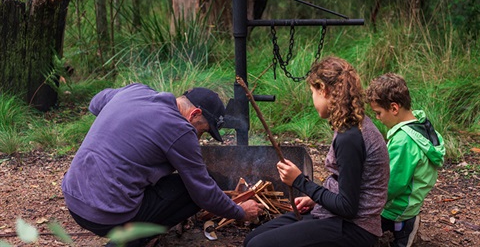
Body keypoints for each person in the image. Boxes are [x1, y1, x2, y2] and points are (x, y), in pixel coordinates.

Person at [61, 83, 263, 247]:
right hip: (106, 215)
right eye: (202, 131)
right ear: (194, 114)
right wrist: (241, 212)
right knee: (190, 192)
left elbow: (95, 102)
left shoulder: (135, 92)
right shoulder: (180, 129)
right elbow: (204, 193)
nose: (199, 138)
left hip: (73, 198)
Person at [243, 56, 390, 247]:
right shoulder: (350, 125)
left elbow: (348, 207)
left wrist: (300, 182)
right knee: (251, 239)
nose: (313, 99)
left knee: (258, 245)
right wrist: (316, 199)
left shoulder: (351, 137)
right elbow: (347, 186)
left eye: (313, 92)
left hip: (355, 228)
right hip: (335, 216)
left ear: (324, 90)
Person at [366, 73, 445, 247]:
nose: (377, 118)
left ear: (394, 108)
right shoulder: (420, 123)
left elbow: (392, 183)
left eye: (378, 113)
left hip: (397, 210)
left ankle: (403, 232)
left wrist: (369, 202)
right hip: (412, 203)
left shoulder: (403, 142)